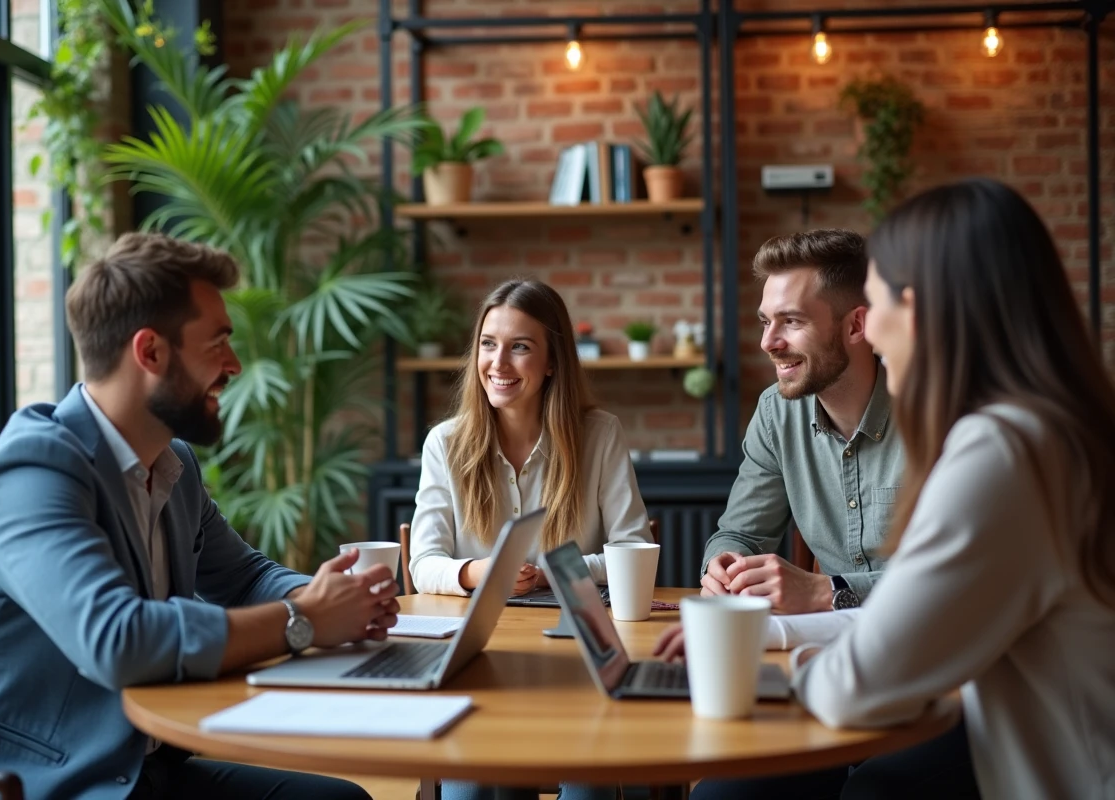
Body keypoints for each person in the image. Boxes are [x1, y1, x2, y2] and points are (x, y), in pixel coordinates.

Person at [0, 232, 400, 800]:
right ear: (150, 352)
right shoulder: (32, 469)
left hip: (142, 771)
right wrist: (304, 619)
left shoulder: (172, 463)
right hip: (34, 784)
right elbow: (119, 640)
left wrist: (342, 598)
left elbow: (245, 577)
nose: (235, 365)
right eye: (217, 343)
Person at [788, 178, 1115, 798]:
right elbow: (911, 625)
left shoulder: (1005, 453)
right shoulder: (1062, 432)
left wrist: (771, 669)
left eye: (876, 302)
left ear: (918, 310)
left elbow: (857, 687)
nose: (874, 336)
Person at [409, 279, 650, 800]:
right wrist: (481, 573)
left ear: (552, 362)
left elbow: (631, 549)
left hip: (578, 659)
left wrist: (558, 571)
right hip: (481, 657)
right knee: (471, 789)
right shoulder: (445, 443)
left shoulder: (599, 434)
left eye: (520, 346)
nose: (499, 362)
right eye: (488, 344)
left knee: (590, 789)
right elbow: (423, 562)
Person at [675, 229, 905, 621]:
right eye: (766, 322)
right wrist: (724, 566)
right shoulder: (776, 413)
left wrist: (829, 591)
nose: (768, 342)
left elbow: (964, 574)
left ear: (855, 326)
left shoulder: (934, 411)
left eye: (791, 321)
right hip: (832, 644)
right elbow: (741, 534)